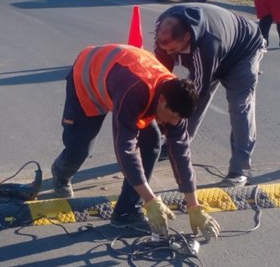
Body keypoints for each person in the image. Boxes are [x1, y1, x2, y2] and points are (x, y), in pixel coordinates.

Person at [50, 44, 220, 240]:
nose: (174, 123)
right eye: (172, 117)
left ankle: (126, 211)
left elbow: (181, 153)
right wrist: (151, 201)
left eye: (178, 120)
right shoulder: (134, 91)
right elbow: (126, 149)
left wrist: (194, 206)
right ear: (162, 101)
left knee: (153, 141)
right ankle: (60, 172)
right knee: (80, 148)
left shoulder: (178, 98)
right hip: (88, 78)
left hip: (119, 79)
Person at [153, 4, 265, 188]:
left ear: (187, 37)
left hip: (242, 53)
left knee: (239, 107)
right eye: (166, 49)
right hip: (215, 50)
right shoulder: (164, 28)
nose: (170, 54)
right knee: (180, 99)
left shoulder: (207, 45)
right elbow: (160, 73)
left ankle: (239, 170)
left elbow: (195, 94)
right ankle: (173, 145)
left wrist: (170, 116)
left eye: (174, 50)